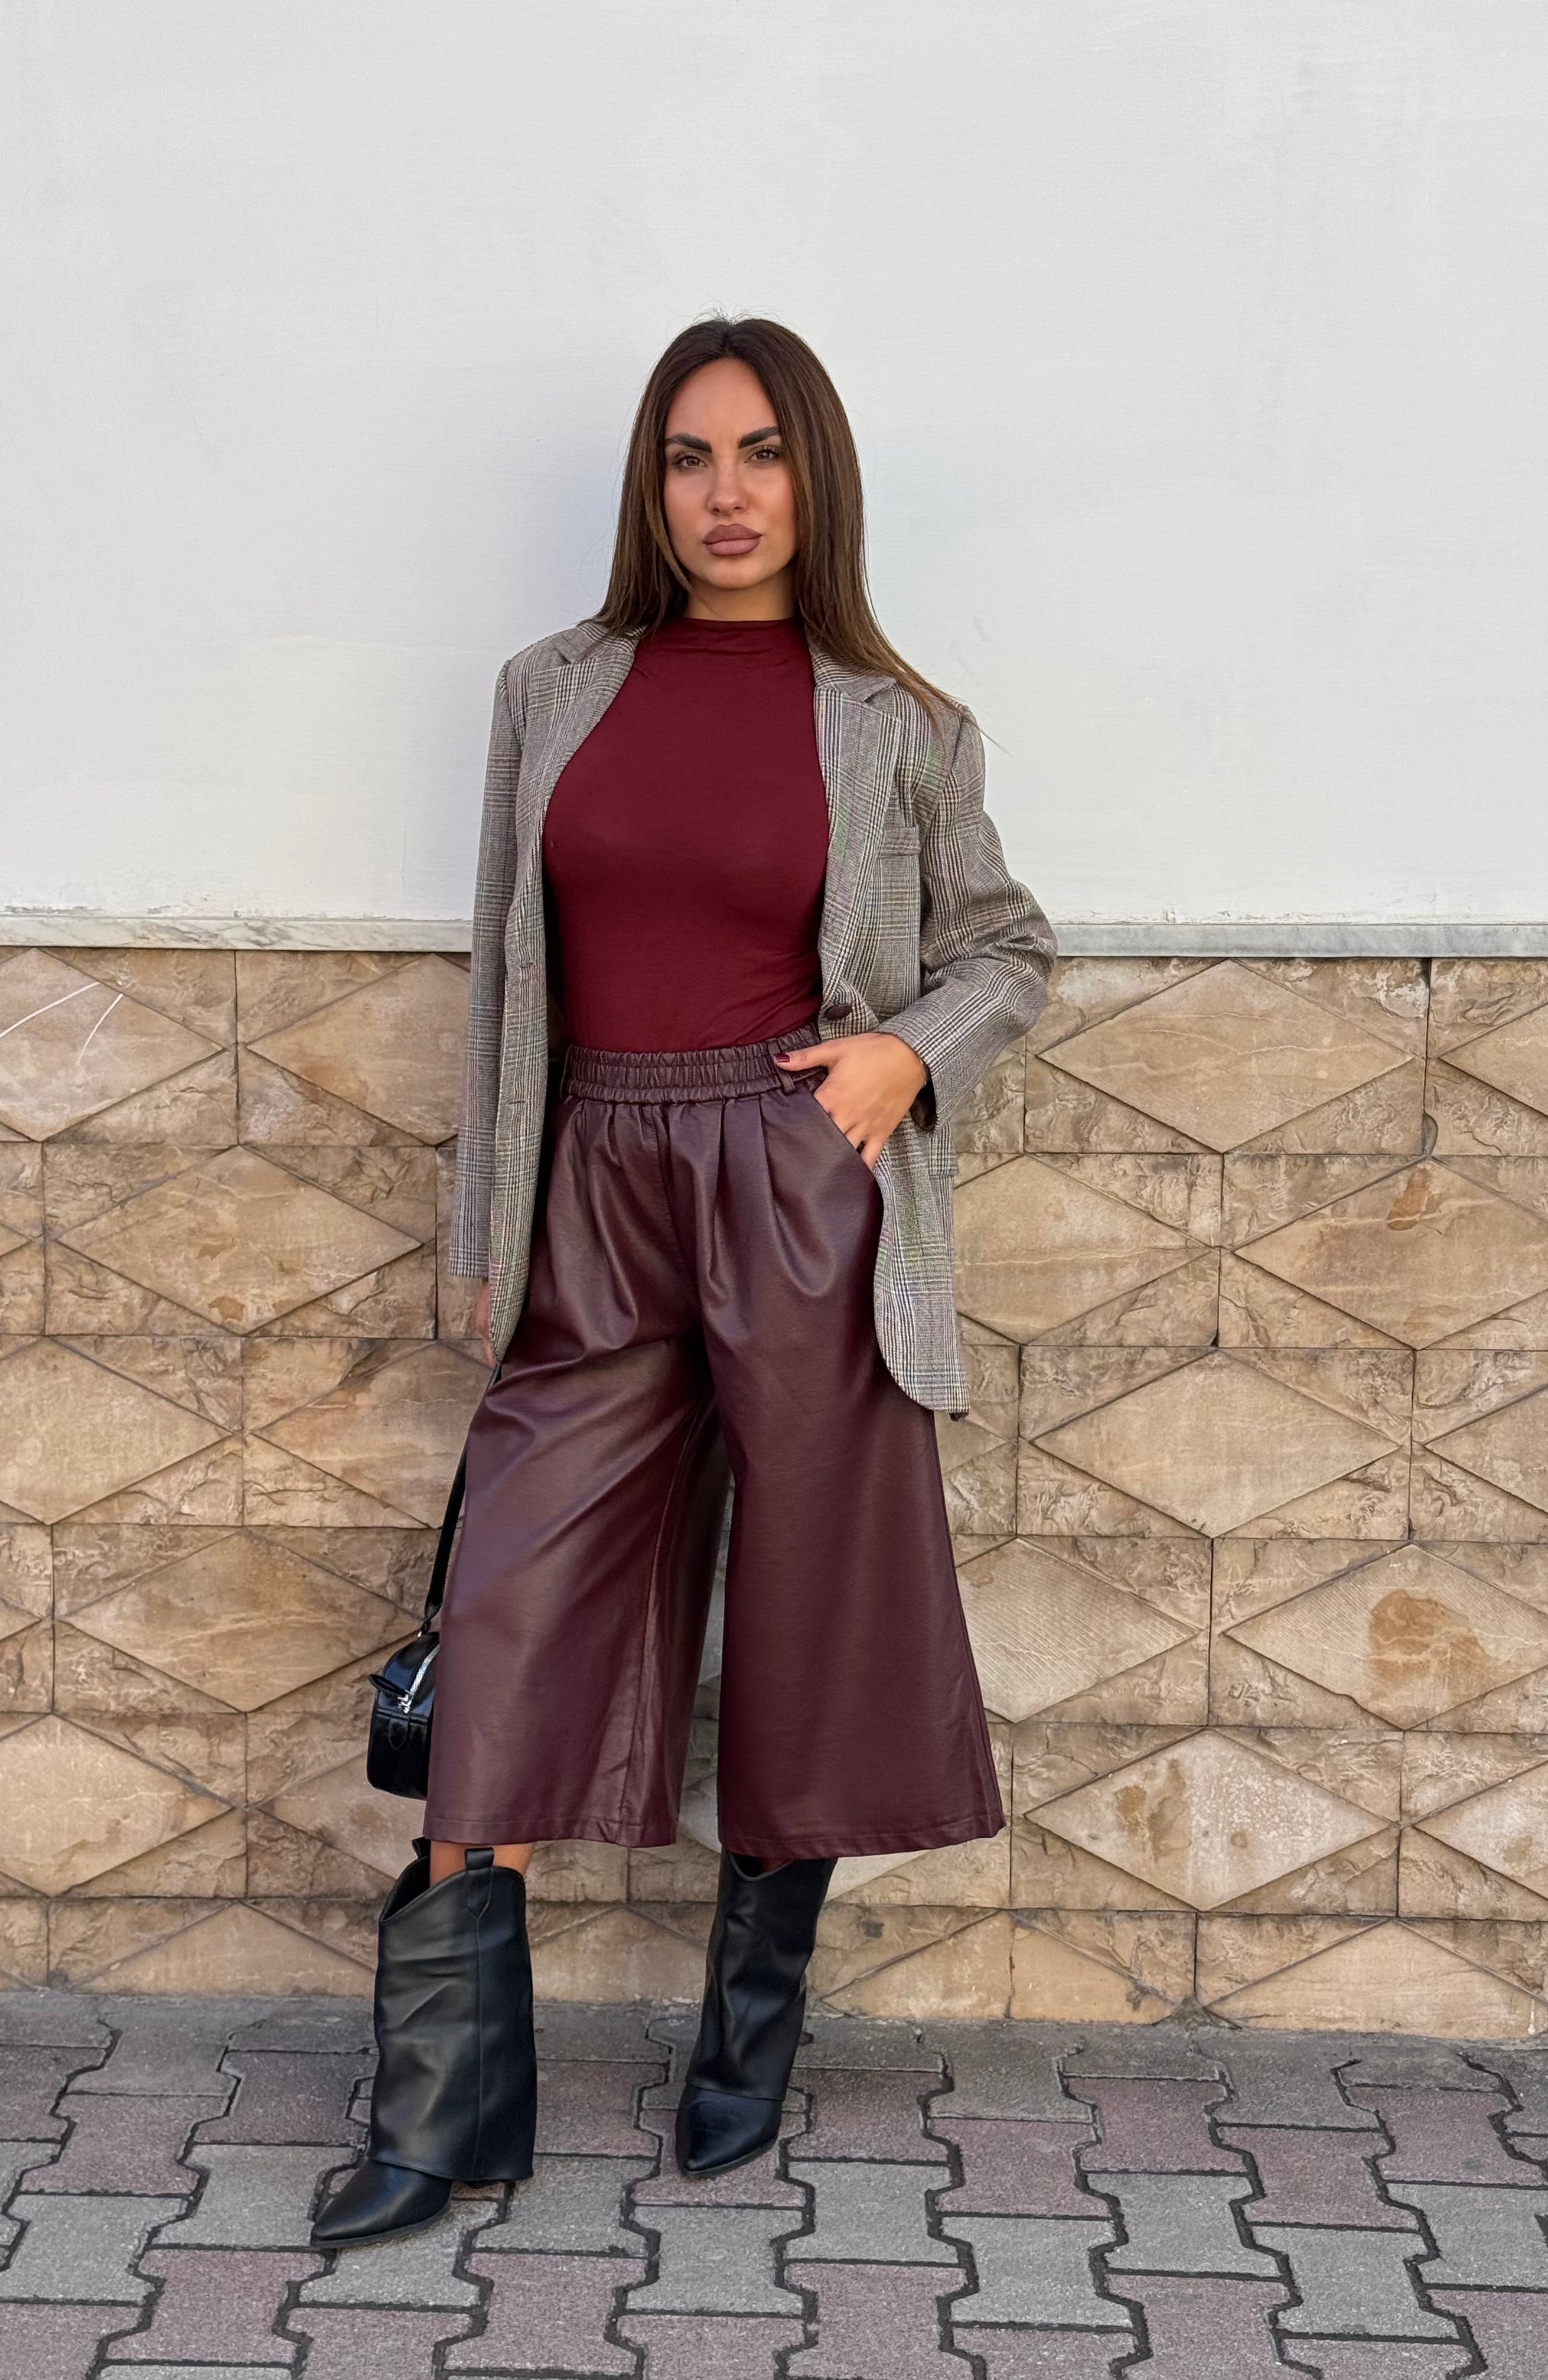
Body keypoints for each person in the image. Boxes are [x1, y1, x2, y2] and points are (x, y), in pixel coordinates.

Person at [314, 314, 1054, 2248]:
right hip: (596, 1175)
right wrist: (491, 1225)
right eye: (686, 458)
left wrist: (903, 1059)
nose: (725, 495)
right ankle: (444, 2114)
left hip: (796, 1178)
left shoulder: (899, 725)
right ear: (649, 487)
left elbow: (1008, 949)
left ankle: (747, 2039)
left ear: (816, 478)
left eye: (761, 454)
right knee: (506, 1605)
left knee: (808, 1615)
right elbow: (512, 966)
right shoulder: (552, 690)